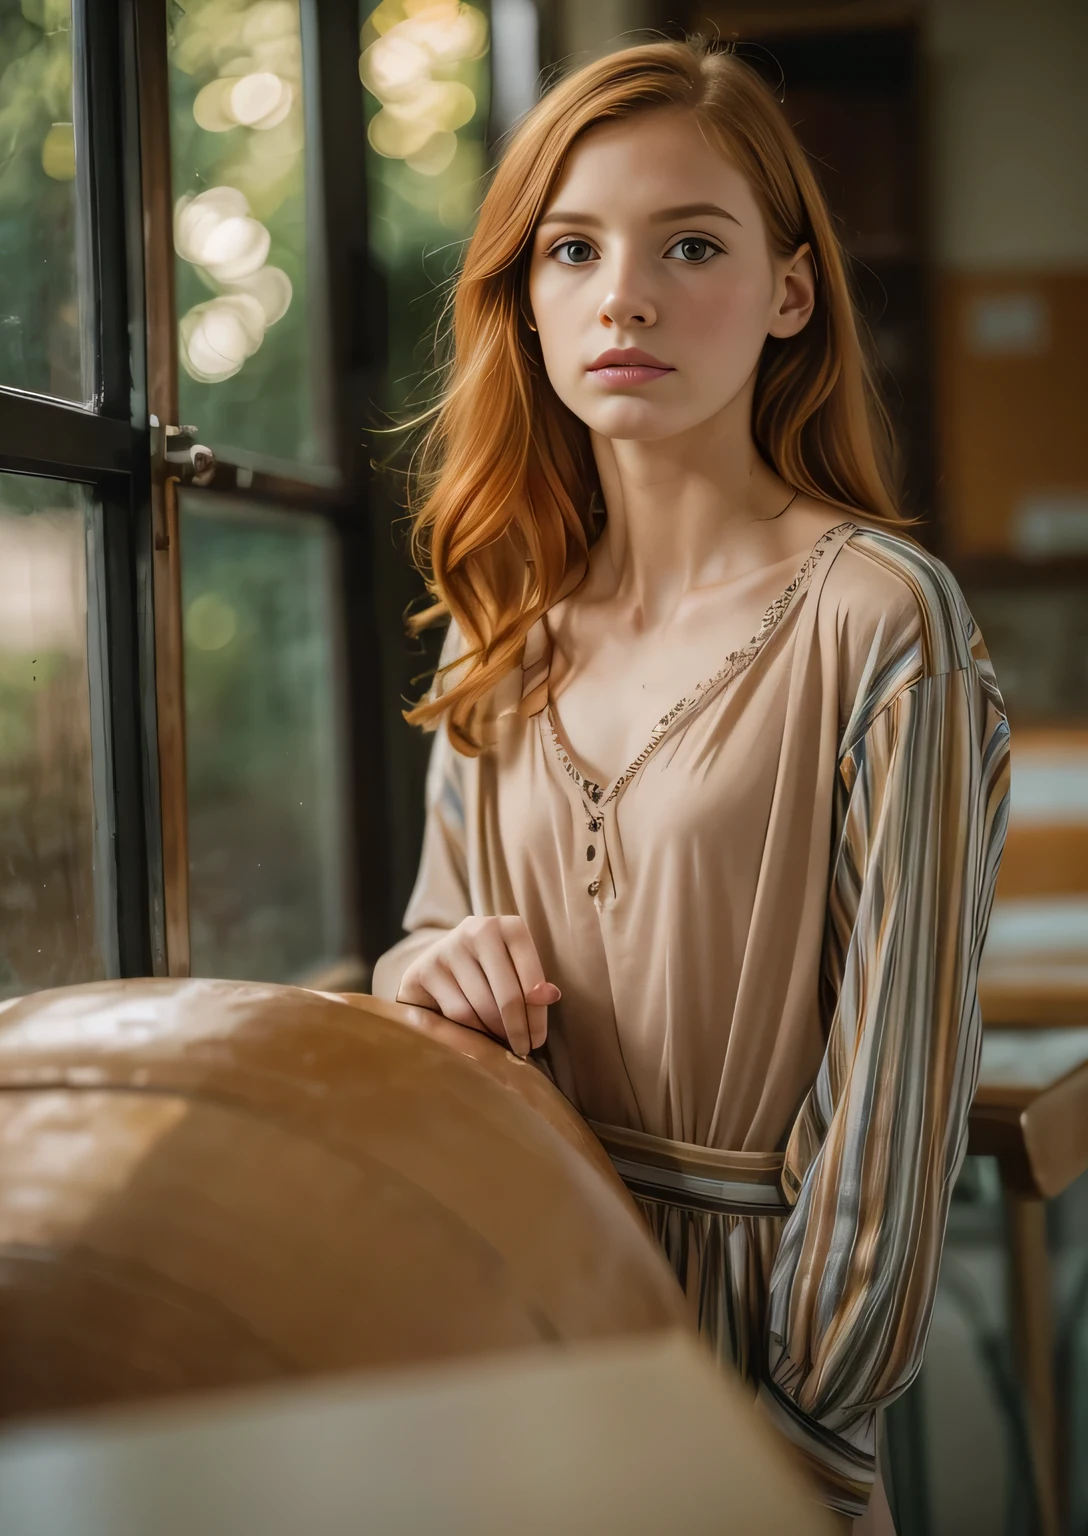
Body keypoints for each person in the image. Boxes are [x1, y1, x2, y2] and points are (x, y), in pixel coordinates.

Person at [370, 39, 1010, 1533]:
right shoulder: (500, 617)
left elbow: (892, 1104)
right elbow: (427, 940)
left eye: (692, 246)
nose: (625, 298)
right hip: (509, 1311)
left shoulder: (881, 620)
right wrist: (427, 966)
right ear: (523, 300)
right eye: (573, 249)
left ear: (791, 294)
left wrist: (802, 1414)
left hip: (761, 1353)